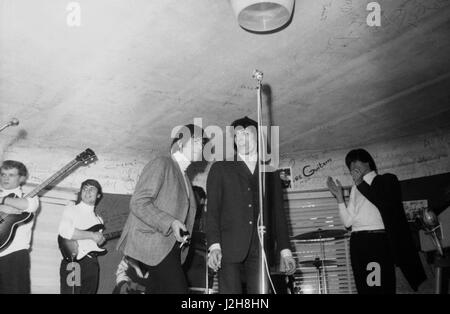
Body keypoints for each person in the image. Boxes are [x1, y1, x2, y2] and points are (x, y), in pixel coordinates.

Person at [206, 116, 296, 294]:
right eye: (237, 135)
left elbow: (278, 214)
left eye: (247, 134)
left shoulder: (270, 172)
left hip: (260, 248)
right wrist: (214, 246)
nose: (242, 139)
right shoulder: (220, 168)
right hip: (228, 249)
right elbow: (213, 213)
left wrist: (286, 251)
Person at [116, 124, 206, 293]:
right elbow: (138, 202)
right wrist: (170, 222)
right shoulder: (162, 163)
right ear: (180, 143)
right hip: (155, 245)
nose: (202, 146)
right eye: (197, 141)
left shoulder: (185, 178)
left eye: (203, 142)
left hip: (170, 249)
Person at [327, 148, 426, 294]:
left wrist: (360, 182)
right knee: (364, 288)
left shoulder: (386, 180)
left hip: (376, 240)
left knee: (378, 285)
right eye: (350, 165)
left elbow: (383, 202)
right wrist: (340, 198)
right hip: (357, 242)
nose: (353, 167)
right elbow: (348, 222)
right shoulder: (355, 188)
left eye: (356, 162)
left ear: (368, 163)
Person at [58, 179, 104, 294]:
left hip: (91, 263)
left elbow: (93, 243)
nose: (87, 191)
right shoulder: (71, 209)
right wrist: (92, 235)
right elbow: (65, 231)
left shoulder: (99, 219)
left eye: (91, 189)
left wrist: (99, 241)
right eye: (84, 189)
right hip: (73, 261)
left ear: (98, 195)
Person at [0, 160, 39, 294]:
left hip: (14, 256)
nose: (5, 178)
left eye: (11, 175)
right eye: (3, 174)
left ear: (21, 178)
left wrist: (3, 200)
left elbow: (28, 206)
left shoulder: (30, 197)